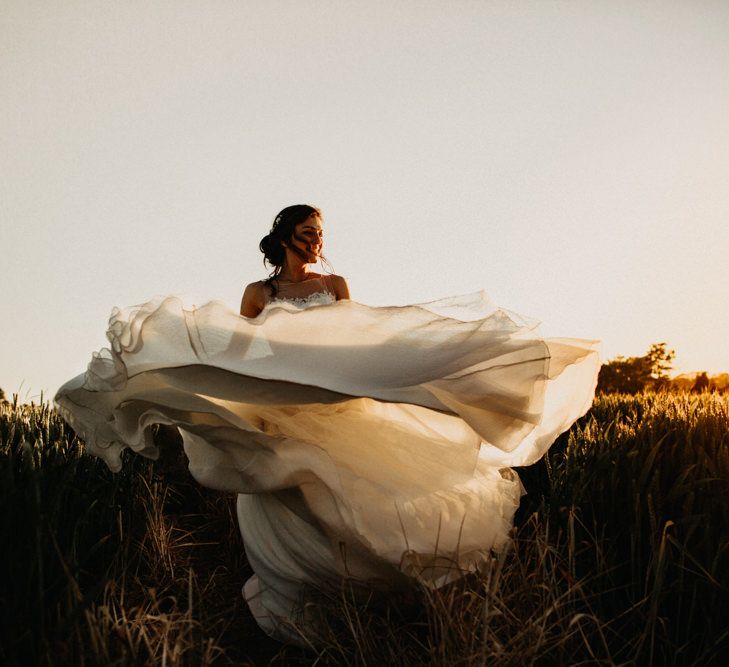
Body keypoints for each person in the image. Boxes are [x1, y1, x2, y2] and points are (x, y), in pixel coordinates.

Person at [55, 204, 601, 645]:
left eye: (321, 232)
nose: (318, 239)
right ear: (286, 236)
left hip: (333, 398)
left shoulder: (335, 283)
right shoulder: (259, 294)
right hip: (282, 403)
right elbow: (243, 353)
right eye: (309, 231)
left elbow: (353, 340)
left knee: (355, 486)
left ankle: (379, 594)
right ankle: (309, 604)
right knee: (286, 491)